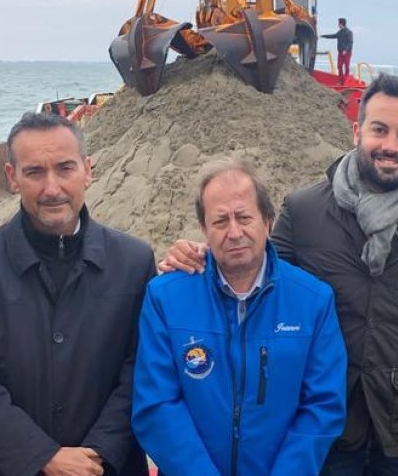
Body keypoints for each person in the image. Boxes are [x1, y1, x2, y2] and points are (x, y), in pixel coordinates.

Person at [161, 73, 398, 476]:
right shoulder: (304, 211)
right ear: (356, 131)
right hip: (325, 428)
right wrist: (200, 255)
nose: (391, 146)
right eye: (379, 130)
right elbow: (255, 274)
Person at [0, 112, 154, 476]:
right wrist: (42, 457)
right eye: (35, 172)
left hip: (108, 467)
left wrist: (98, 451)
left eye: (65, 168)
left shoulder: (134, 262)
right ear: (12, 177)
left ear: (88, 170)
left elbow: (143, 369)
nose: (52, 188)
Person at [132, 158, 346, 475]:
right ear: (204, 229)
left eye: (244, 217)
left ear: (268, 222)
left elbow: (323, 406)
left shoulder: (313, 300)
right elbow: (156, 404)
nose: (234, 232)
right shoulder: (165, 297)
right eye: (220, 221)